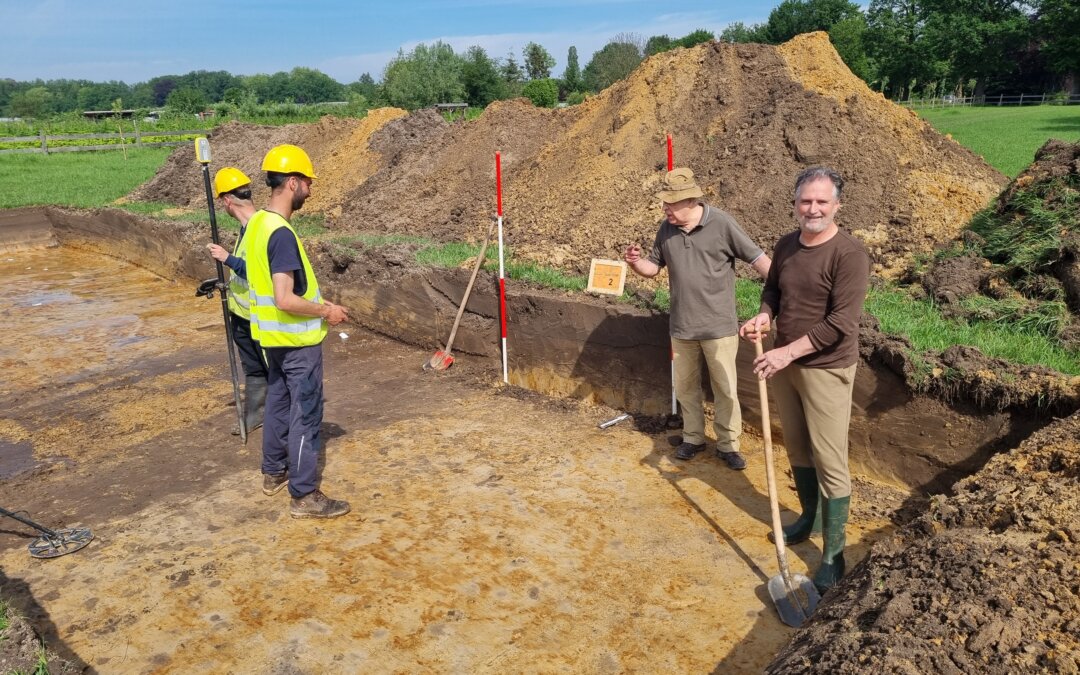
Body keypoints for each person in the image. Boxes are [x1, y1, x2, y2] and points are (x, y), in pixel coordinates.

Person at [738, 166, 870, 593]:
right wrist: (764, 315)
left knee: (830, 458)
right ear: (795, 204)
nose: (812, 209)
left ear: (837, 206)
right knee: (796, 444)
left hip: (825, 368)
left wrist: (785, 352)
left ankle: (833, 553)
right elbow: (773, 290)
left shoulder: (848, 255)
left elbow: (842, 323)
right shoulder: (787, 245)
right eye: (805, 201)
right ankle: (807, 518)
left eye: (821, 202)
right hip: (785, 364)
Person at [625, 167, 771, 470]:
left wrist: (781, 294)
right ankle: (693, 438)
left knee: (726, 389)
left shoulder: (722, 224)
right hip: (682, 328)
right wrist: (636, 263)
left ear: (691, 201)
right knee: (686, 388)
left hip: (719, 328)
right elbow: (654, 267)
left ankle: (728, 444)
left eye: (671, 203)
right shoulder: (666, 229)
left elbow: (759, 260)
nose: (665, 208)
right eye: (664, 202)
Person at [245, 144, 351, 519]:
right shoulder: (282, 233)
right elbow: (285, 298)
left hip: (271, 340)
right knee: (305, 412)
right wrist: (328, 310)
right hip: (297, 340)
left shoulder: (257, 224)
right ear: (292, 182)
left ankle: (273, 472)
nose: (310, 189)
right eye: (307, 182)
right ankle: (304, 495)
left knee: (278, 403)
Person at [206, 167, 267, 436]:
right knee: (253, 369)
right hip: (241, 315)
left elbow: (261, 271)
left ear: (227, 201)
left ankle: (280, 417)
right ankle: (256, 415)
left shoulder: (261, 228)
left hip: (260, 316)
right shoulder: (245, 228)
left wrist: (227, 259)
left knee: (271, 369)